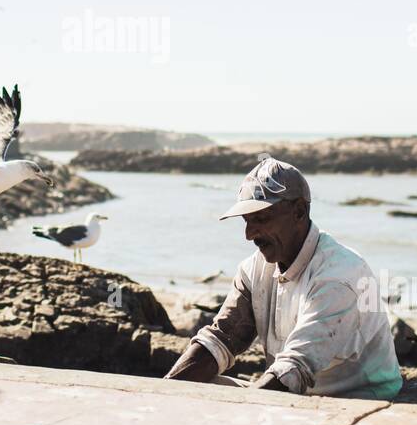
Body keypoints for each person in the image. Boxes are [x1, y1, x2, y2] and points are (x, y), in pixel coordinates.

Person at [165, 157, 401, 398]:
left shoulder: (338, 276)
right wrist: (160, 395)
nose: (249, 235)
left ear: (299, 211)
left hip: (357, 402)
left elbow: (293, 368)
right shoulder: (253, 269)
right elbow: (220, 340)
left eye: (261, 219)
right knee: (196, 390)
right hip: (294, 397)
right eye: (247, 222)